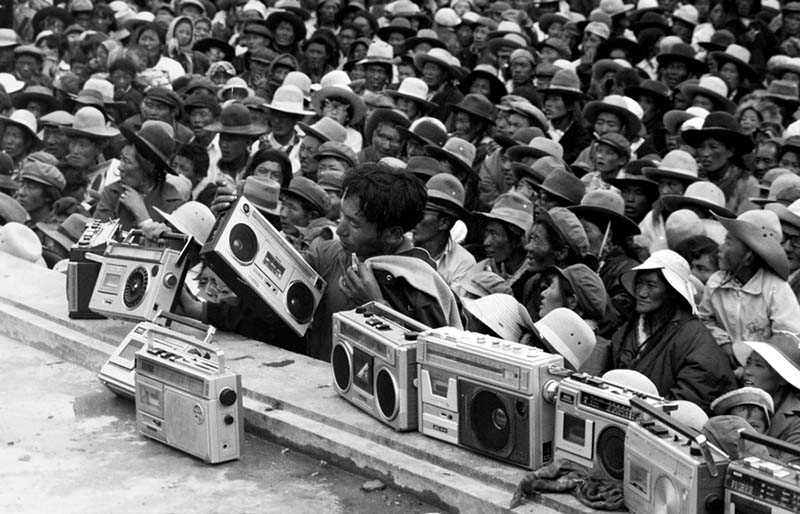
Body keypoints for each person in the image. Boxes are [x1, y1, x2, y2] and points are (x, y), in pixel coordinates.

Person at [610, 250, 737, 413]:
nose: (641, 293)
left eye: (651, 285)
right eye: (639, 283)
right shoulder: (627, 331)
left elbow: (689, 401)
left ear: (671, 292)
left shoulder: (694, 338)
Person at [700, 210, 800, 368]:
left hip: (765, 368)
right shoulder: (716, 282)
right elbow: (705, 319)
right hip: (723, 362)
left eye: (728, 242)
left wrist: (752, 361)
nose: (720, 248)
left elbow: (788, 336)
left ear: (748, 257)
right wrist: (722, 341)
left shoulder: (775, 288)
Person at [94, 121, 184, 230]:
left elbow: (168, 244)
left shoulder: (172, 203)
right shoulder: (113, 193)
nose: (120, 167)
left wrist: (142, 216)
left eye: (127, 161)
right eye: (121, 159)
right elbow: (97, 240)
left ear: (148, 166)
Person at [737, 334, 800, 460]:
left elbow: (788, 473)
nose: (748, 371)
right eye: (748, 363)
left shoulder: (796, 421)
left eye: (759, 365)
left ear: (782, 379)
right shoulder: (737, 402)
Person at [412, 174, 476, 286]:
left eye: (423, 213)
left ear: (444, 223)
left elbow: (455, 302)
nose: (414, 219)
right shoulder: (401, 244)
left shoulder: (463, 263)